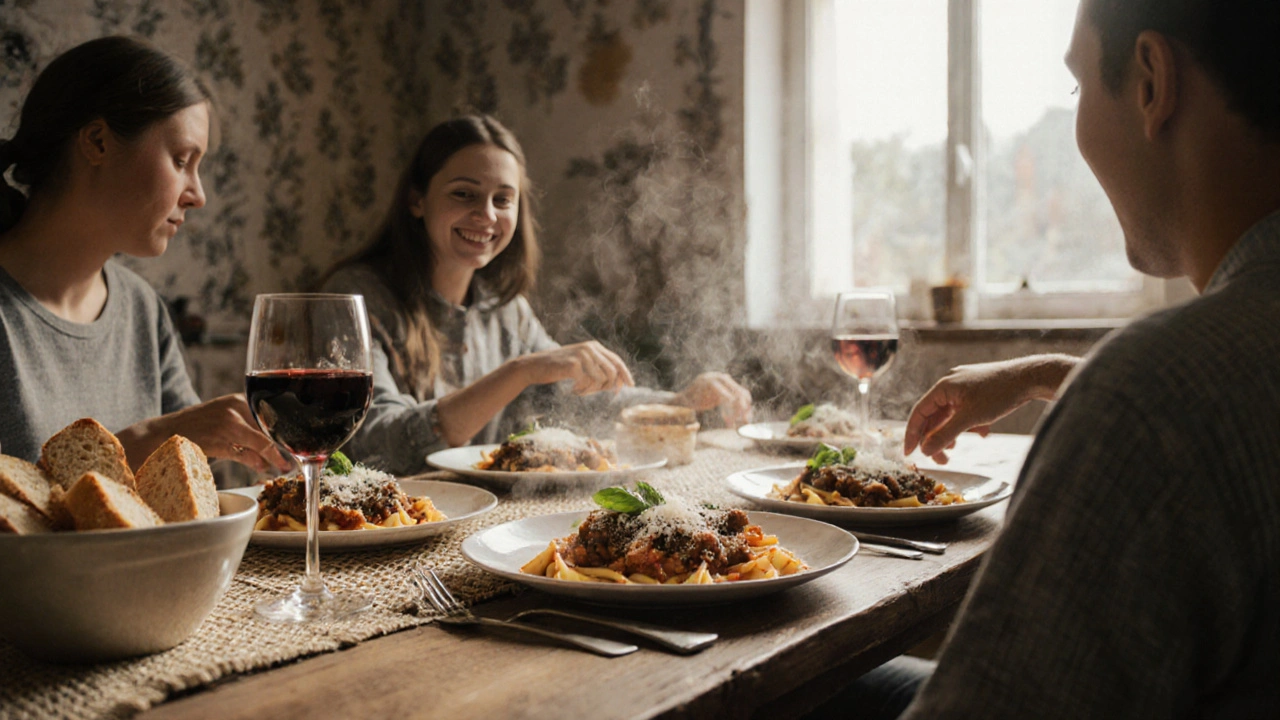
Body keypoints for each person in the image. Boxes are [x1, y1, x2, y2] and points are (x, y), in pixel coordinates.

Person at [868, 0, 1280, 716]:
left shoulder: (1153, 395)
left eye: (1078, 87)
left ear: (1152, 82)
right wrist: (1044, 373)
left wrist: (1115, 391)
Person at [319, 115, 752, 475]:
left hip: (475, 525)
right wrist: (520, 370)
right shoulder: (357, 298)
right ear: (417, 199)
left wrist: (677, 404)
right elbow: (375, 445)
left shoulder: (508, 311)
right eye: (464, 194)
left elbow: (579, 394)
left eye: (502, 200)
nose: (486, 215)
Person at [0, 35, 286, 474]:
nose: (199, 195)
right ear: (97, 141)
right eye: (181, 160)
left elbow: (192, 492)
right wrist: (142, 442)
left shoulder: (141, 308)